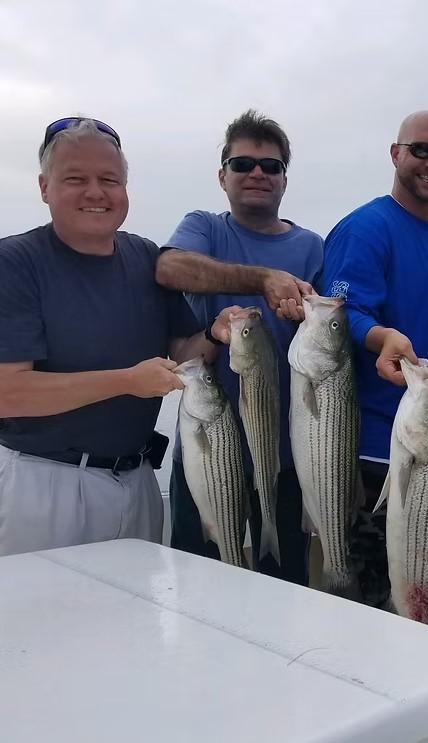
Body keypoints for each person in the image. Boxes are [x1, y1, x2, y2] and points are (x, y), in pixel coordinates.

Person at [0, 116, 237, 558]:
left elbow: (185, 354)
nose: (95, 192)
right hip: (41, 487)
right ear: (44, 187)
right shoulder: (14, 262)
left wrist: (215, 332)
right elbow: (8, 392)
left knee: (134, 626)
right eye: (76, 178)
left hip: (138, 481)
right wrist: (127, 381)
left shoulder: (144, 256)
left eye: (110, 179)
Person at [155, 109, 324, 586]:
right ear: (222, 175)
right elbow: (168, 269)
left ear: (285, 180)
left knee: (284, 591)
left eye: (271, 166)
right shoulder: (205, 229)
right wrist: (260, 280)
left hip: (288, 457)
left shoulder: (312, 247)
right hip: (209, 446)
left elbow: (337, 337)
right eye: (242, 163)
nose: (257, 174)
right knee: (199, 587)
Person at [320, 110, 428, 612]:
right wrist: (380, 335)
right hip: (372, 457)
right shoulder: (365, 229)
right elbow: (344, 312)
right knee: (369, 613)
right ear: (396, 154)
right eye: (421, 150)